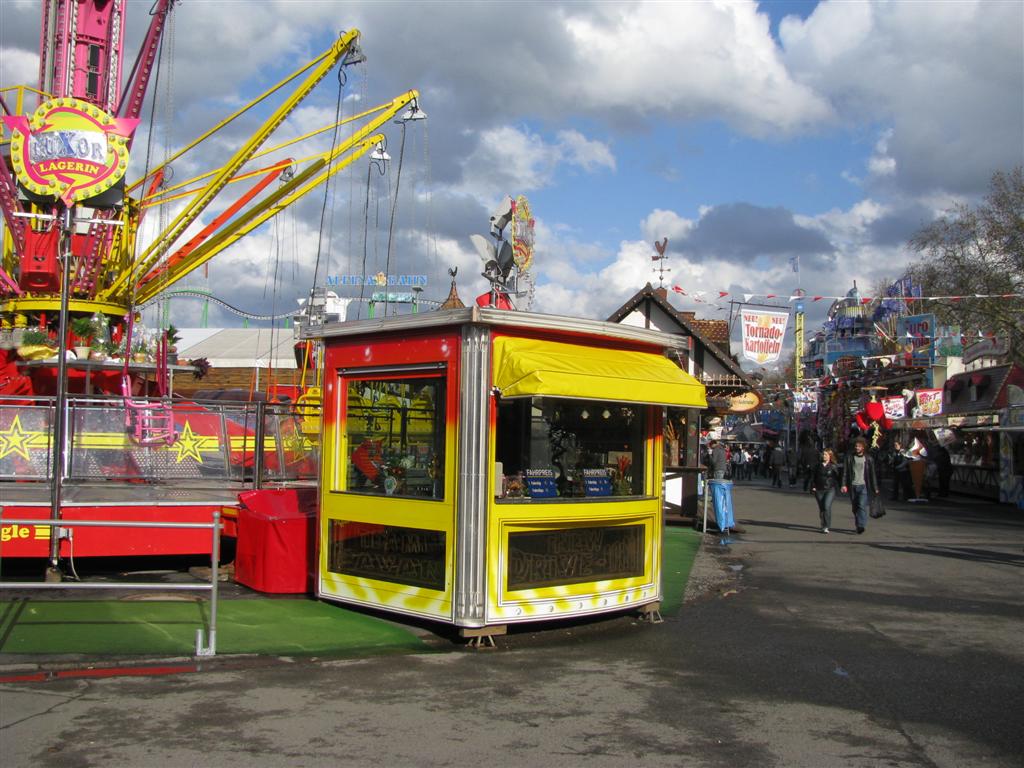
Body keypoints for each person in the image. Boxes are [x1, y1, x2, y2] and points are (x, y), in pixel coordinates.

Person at [841, 437, 880, 534]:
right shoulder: (849, 458)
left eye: (859, 446)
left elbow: (872, 474)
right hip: (853, 485)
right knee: (855, 507)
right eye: (856, 446)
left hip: (863, 486)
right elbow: (845, 472)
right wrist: (843, 484)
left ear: (863, 447)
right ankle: (858, 523)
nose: (857, 448)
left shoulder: (868, 459)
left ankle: (861, 525)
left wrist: (875, 487)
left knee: (862, 505)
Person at [810, 448, 842, 534]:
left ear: (830, 456)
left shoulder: (833, 466)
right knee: (822, 508)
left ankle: (826, 526)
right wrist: (813, 486)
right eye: (823, 454)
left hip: (830, 489)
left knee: (826, 506)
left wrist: (842, 486)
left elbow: (839, 478)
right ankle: (823, 524)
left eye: (826, 454)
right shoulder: (817, 466)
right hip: (819, 490)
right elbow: (813, 477)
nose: (824, 456)